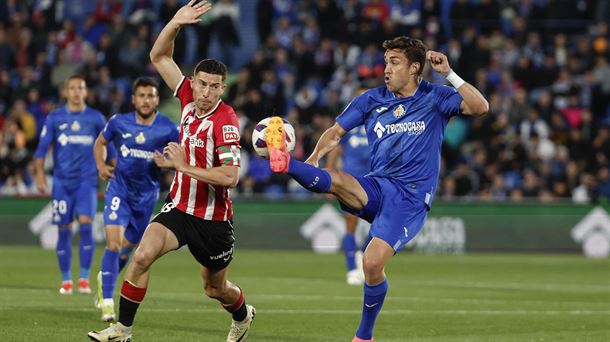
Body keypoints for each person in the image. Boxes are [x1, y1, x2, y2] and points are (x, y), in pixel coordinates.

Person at [266, 36, 488, 341]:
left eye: (394, 63)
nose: (386, 69)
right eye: (386, 62)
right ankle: (286, 162)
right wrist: (315, 158)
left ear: (414, 68)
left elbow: (480, 106)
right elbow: (336, 131)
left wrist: (449, 74)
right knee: (340, 180)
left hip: (410, 197)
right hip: (378, 184)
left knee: (371, 263)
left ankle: (364, 336)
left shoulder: (436, 97)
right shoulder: (371, 100)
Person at [88, 2, 254, 341]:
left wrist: (183, 166)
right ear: (193, 82)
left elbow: (230, 177)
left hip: (213, 221)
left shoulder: (226, 122)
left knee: (214, 288)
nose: (206, 93)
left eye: (214, 87)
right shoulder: (187, 99)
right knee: (142, 256)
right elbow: (159, 56)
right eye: (202, 84)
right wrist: (175, 23)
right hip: (178, 208)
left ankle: (242, 315)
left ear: (222, 88)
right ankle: (123, 329)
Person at [92, 77, 179, 322]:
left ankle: (104, 278)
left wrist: (170, 163)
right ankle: (107, 302)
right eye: (141, 96)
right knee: (114, 244)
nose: (146, 100)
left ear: (157, 99)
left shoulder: (168, 128)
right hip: (119, 190)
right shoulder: (119, 122)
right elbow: (100, 142)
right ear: (133, 99)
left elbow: (185, 155)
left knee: (127, 250)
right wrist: (100, 164)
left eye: (150, 95)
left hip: (146, 197)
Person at [34, 74, 107, 295]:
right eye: (72, 88)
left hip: (86, 183)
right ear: (65, 92)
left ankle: (83, 279)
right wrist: (39, 175)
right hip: (62, 184)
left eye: (80, 87)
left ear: (86, 92)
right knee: (63, 230)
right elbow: (41, 149)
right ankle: (66, 280)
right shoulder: (55, 118)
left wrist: (109, 166)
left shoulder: (96, 118)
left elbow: (109, 147)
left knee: (86, 226)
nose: (76, 91)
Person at [326, 98, 371, 286]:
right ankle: (352, 269)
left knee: (379, 225)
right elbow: (335, 149)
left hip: (375, 179)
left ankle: (363, 253)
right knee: (350, 223)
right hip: (351, 181)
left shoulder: (380, 119)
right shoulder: (348, 122)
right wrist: (329, 174)